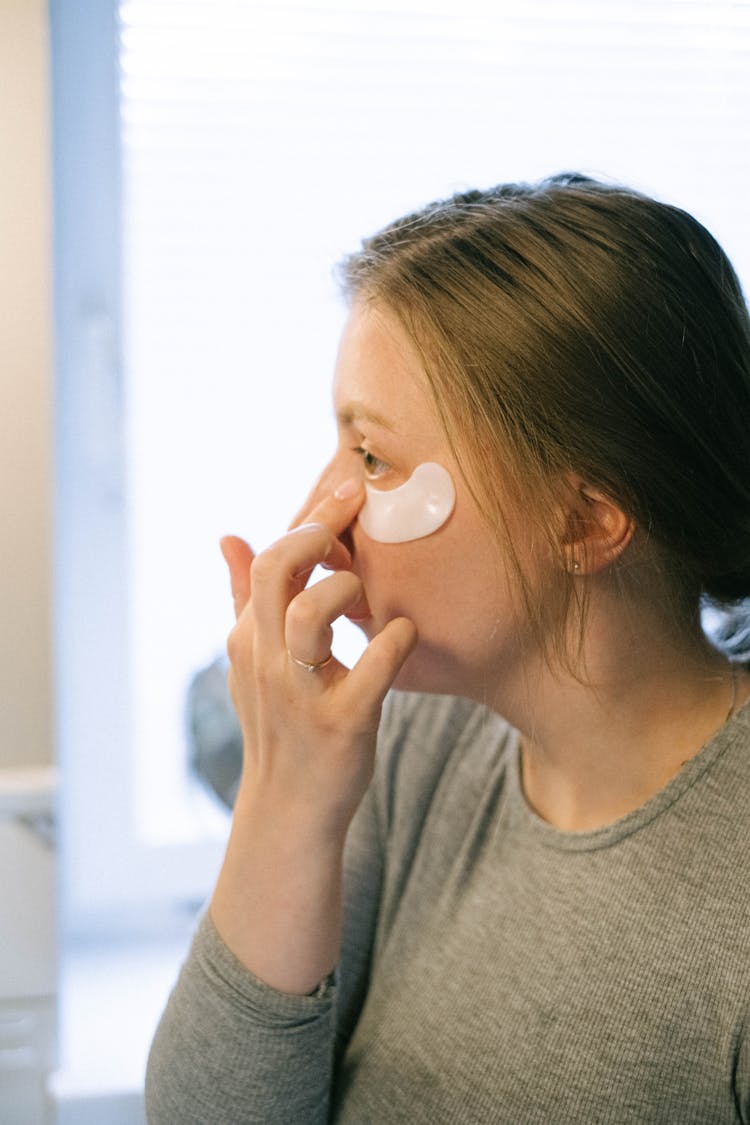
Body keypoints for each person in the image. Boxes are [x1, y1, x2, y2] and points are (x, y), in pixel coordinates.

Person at [145, 174, 750, 1124]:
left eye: (375, 460)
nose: (318, 519)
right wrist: (284, 801)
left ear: (586, 524)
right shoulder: (416, 736)